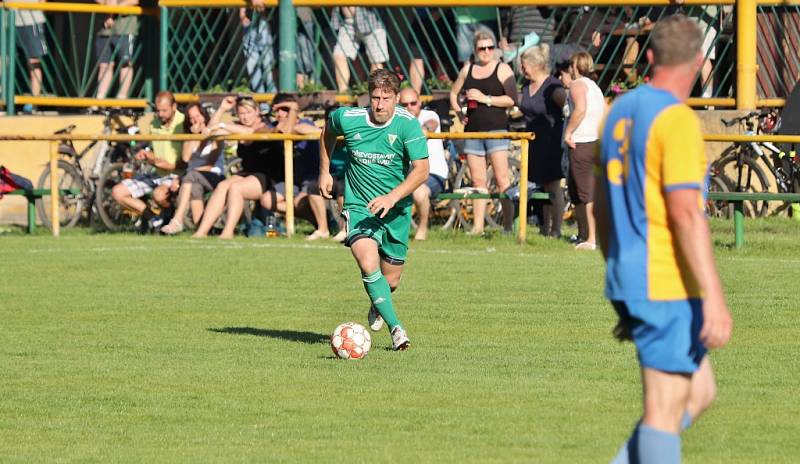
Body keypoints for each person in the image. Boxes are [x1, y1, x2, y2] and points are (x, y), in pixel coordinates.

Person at [595, 15, 733, 463]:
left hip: (634, 274)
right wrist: (713, 295)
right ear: (699, 63)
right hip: (663, 279)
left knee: (699, 393)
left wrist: (620, 278)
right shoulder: (676, 121)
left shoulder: (619, 113)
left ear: (649, 58)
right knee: (663, 408)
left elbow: (600, 206)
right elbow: (686, 213)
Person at [318, 68, 429, 351]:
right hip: (359, 207)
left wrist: (392, 198)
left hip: (396, 211)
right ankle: (397, 331)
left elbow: (421, 172)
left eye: (386, 98)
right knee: (368, 264)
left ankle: (379, 301)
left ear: (397, 98)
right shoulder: (349, 118)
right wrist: (325, 171)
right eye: (375, 97)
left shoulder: (407, 125)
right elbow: (327, 132)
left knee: (390, 281)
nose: (380, 104)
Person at [449, 29, 517, 235]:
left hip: (496, 129)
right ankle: (478, 227)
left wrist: (485, 98)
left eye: (490, 47)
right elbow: (453, 93)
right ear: (475, 49)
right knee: (478, 181)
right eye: (482, 48)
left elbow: (512, 99)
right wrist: (460, 112)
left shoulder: (503, 69)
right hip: (473, 131)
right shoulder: (467, 70)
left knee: (502, 179)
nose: (486, 52)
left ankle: (508, 225)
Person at [192, 95, 277, 239]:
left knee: (236, 188)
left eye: (248, 112)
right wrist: (222, 109)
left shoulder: (265, 127)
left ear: (257, 112)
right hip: (247, 173)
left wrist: (222, 125)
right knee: (222, 186)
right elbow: (212, 130)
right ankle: (201, 232)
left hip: (268, 176)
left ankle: (228, 231)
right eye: (241, 113)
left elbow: (251, 133)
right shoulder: (238, 127)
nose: (244, 117)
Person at [110, 91, 184, 229]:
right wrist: (146, 154)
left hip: (177, 174)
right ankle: (154, 219)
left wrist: (172, 166)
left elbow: (189, 156)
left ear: (174, 106)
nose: (160, 114)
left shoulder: (184, 122)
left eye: (164, 111)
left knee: (159, 194)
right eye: (158, 110)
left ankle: (171, 216)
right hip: (157, 173)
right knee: (117, 192)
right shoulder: (154, 123)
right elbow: (154, 152)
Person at [518, 44, 567, 238]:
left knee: (553, 186)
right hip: (533, 142)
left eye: (524, 66)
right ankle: (544, 228)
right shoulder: (526, 86)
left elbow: (567, 108)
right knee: (539, 186)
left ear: (535, 65)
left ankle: (557, 228)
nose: (522, 70)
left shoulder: (552, 86)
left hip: (551, 142)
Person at [560, 52, 605, 250]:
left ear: (574, 66)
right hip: (595, 142)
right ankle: (583, 233)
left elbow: (580, 109)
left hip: (581, 142)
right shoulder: (595, 87)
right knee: (578, 191)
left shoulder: (577, 85)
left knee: (586, 193)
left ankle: (592, 239)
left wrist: (568, 132)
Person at [258, 93, 322, 230]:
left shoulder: (305, 124)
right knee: (267, 200)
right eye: (278, 110)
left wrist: (293, 109)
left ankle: (324, 222)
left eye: (285, 109)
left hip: (312, 179)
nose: (281, 113)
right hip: (294, 182)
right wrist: (275, 129)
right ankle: (316, 219)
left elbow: (289, 131)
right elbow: (257, 131)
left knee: (299, 202)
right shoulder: (276, 126)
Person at [160, 103, 225, 235]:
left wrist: (187, 175)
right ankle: (201, 229)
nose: (195, 120)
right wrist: (194, 137)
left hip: (213, 175)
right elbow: (186, 158)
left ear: (204, 116)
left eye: (197, 116)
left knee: (191, 177)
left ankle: (177, 220)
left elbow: (211, 163)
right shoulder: (190, 136)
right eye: (191, 118)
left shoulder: (215, 135)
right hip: (192, 178)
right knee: (193, 185)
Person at [398, 88, 448, 241]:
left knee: (419, 191)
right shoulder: (398, 121)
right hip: (409, 174)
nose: (409, 107)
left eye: (413, 103)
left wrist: (422, 131)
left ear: (419, 103)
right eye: (405, 104)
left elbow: (431, 124)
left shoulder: (429, 115)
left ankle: (422, 229)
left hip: (434, 174)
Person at [331, 7, 389, 93]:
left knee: (376, 60)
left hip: (371, 20)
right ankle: (343, 95)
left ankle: (374, 94)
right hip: (346, 21)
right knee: (338, 55)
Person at [95, 0, 139, 100]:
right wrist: (109, 9)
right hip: (105, 29)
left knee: (125, 64)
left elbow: (133, 1)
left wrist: (113, 11)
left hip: (125, 28)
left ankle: (121, 100)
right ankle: (100, 100)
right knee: (104, 65)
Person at [15, 0, 49, 114]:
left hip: (31, 20)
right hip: (8, 17)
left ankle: (33, 102)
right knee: (3, 60)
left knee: (33, 61)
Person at [240, 1, 276, 94]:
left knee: (269, 67)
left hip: (266, 19)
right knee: (254, 67)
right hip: (251, 19)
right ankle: (263, 104)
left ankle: (272, 99)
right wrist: (242, 13)